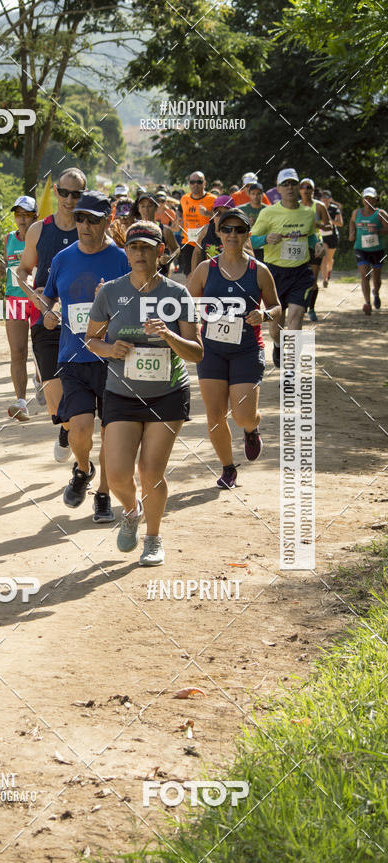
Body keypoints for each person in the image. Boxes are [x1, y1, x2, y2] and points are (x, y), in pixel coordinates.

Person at [85, 221, 203, 566]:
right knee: (117, 474)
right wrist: (110, 349)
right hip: (121, 393)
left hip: (167, 393)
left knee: (150, 471)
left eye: (147, 248)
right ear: (126, 252)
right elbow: (91, 340)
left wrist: (168, 335)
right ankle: (131, 510)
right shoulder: (110, 292)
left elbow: (196, 352)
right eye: (134, 247)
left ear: (160, 252)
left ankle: (153, 538)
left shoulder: (177, 294)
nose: (139, 253)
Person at [38, 191, 130, 521]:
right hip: (73, 356)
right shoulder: (63, 258)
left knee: (109, 433)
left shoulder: (122, 259)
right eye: (80, 218)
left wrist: (110, 299)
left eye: (93, 219)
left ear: (108, 221)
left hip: (112, 358)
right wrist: (48, 313)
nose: (85, 225)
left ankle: (103, 495)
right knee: (78, 429)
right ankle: (82, 469)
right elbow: (48, 297)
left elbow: (136, 304)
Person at [187, 208, 282, 489]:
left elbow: (277, 306)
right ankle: (228, 467)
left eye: (239, 230)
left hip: (246, 350)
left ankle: (251, 428)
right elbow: (186, 304)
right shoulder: (206, 269)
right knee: (215, 415)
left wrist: (264, 315)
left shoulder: (259, 271)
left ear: (247, 235)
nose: (232, 234)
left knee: (242, 415)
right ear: (218, 233)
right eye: (226, 229)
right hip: (211, 351)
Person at [17, 168, 86, 461]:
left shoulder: (89, 229)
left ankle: (81, 460)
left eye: (76, 194)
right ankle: (66, 427)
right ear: (56, 192)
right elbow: (22, 270)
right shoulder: (39, 230)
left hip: (82, 322)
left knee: (79, 391)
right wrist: (34, 297)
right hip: (45, 319)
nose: (70, 199)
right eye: (65, 193)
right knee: (54, 398)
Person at [250, 168, 318, 367]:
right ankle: (278, 345)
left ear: (298, 187)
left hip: (300, 272)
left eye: (293, 184)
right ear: (278, 188)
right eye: (285, 184)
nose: (290, 187)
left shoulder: (308, 212)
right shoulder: (268, 212)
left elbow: (311, 236)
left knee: (296, 318)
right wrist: (265, 239)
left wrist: (318, 245)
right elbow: (250, 240)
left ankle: (292, 367)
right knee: (275, 327)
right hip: (275, 273)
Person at [0, 195, 40, 422]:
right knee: (18, 351)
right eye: (18, 215)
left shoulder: (41, 237)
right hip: (15, 300)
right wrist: (1, 268)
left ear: (35, 217)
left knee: (41, 349)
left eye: (26, 215)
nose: (22, 219)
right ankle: (21, 401)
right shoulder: (9, 238)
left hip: (38, 299)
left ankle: (41, 379)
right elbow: (7, 262)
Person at [348, 187, 388, 314]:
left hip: (377, 250)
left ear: (376, 200)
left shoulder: (381, 213)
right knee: (365, 275)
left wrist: (377, 230)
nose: (368, 201)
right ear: (363, 200)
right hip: (361, 249)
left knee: (377, 278)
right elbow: (352, 222)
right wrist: (351, 233)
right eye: (366, 198)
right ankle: (367, 303)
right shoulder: (356, 213)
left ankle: (376, 292)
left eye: (371, 198)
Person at [299, 178, 329, 322]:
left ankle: (311, 308)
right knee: (298, 279)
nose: (306, 190)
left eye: (309, 187)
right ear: (299, 190)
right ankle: (300, 305)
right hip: (299, 245)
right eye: (303, 187)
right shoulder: (295, 206)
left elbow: (329, 226)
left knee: (313, 279)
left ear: (313, 190)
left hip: (315, 245)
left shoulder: (319, 206)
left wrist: (319, 225)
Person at [132, 191, 179, 274]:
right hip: (139, 276)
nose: (146, 210)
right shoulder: (133, 231)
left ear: (156, 208)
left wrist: (169, 258)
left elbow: (177, 249)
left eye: (150, 206)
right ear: (139, 209)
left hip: (160, 277)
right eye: (143, 206)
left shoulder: (165, 230)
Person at [179, 171, 216, 275]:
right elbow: (180, 211)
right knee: (190, 275)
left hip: (206, 242)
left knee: (207, 274)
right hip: (188, 242)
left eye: (199, 182)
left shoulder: (212, 199)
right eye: (192, 182)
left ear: (205, 183)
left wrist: (207, 213)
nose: (195, 184)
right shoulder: (184, 198)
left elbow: (220, 216)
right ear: (189, 184)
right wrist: (178, 218)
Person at [190, 195, 235, 271]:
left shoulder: (239, 232)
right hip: (208, 275)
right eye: (218, 213)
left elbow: (250, 256)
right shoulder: (206, 230)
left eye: (225, 214)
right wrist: (194, 273)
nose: (221, 217)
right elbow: (197, 252)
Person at [319, 190, 343, 287]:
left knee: (329, 259)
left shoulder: (334, 209)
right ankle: (325, 279)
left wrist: (330, 221)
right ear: (320, 199)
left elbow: (340, 223)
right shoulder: (317, 208)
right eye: (323, 197)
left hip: (332, 236)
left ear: (330, 199)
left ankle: (328, 272)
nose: (325, 199)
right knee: (324, 258)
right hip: (322, 236)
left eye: (327, 197)